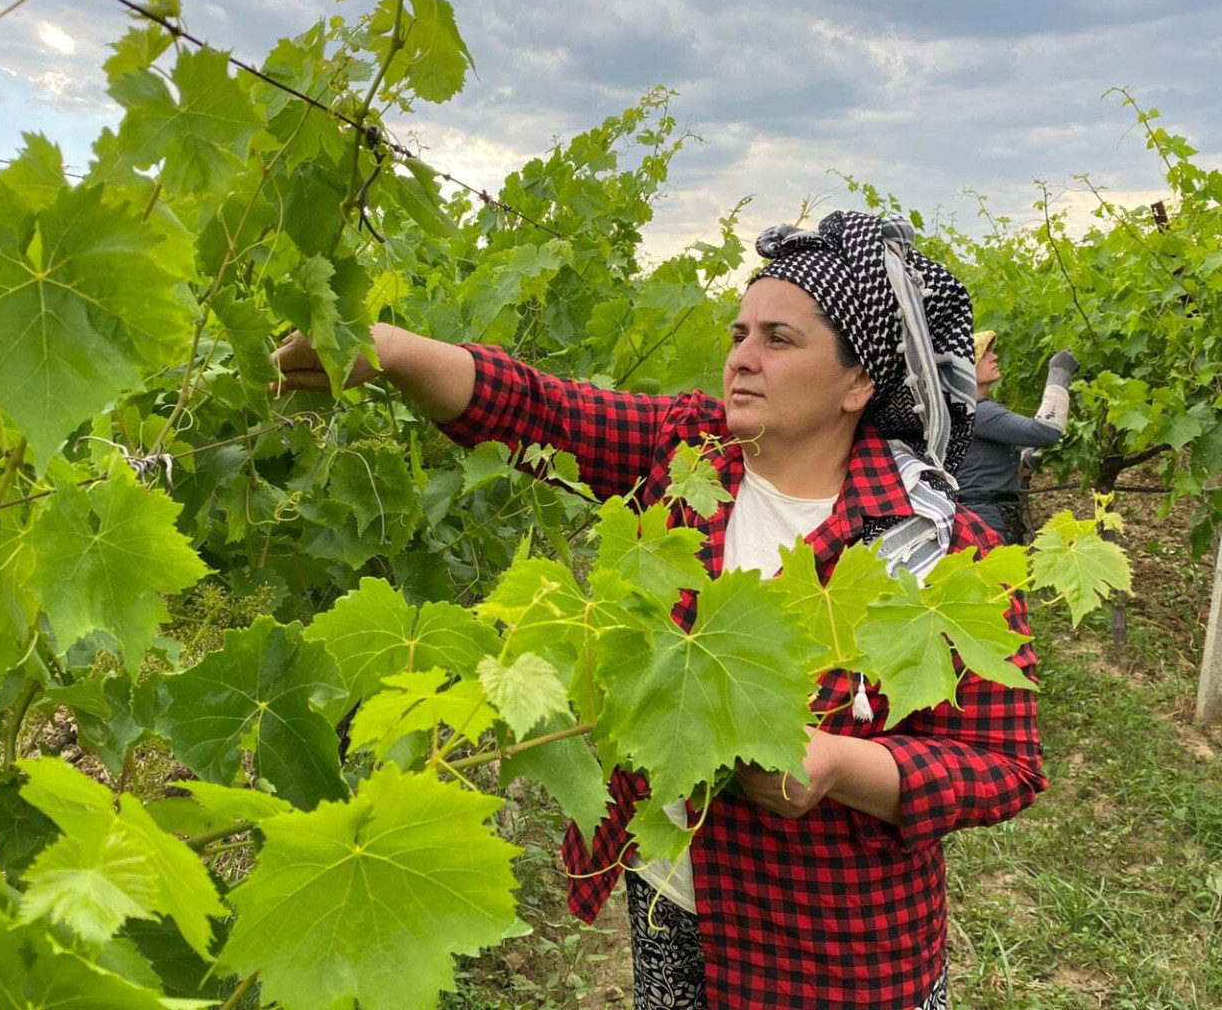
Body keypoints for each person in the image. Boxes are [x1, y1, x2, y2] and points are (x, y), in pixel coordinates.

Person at [275, 210, 1046, 1010]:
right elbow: (540, 410)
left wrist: (840, 768)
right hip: (672, 895)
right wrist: (392, 351)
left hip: (834, 946)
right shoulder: (687, 456)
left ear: (859, 383)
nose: (742, 359)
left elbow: (1005, 767)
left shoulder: (947, 550)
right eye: (739, 334)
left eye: (779, 341)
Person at [955, 329, 1078, 544]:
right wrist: (1059, 373)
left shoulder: (965, 410)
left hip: (983, 516)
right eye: (983, 355)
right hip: (986, 517)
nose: (993, 357)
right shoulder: (977, 411)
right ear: (965, 369)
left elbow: (989, 462)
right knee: (998, 576)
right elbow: (1045, 431)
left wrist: (1029, 456)